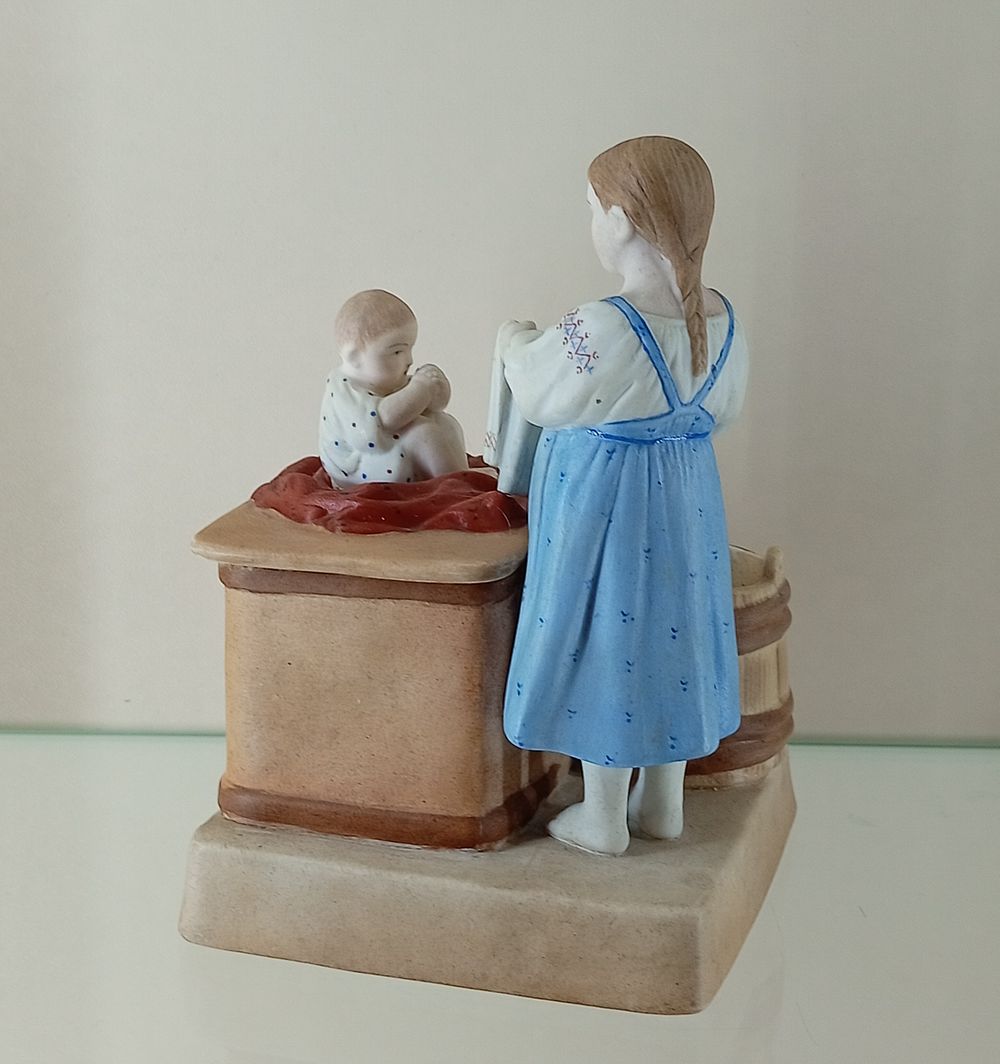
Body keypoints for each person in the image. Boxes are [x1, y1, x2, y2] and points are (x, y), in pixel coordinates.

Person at [485, 137, 749, 855]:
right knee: (673, 635)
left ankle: (603, 817)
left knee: (609, 633)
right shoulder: (724, 318)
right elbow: (725, 411)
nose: (592, 224)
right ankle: (662, 801)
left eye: (593, 209)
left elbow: (539, 389)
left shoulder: (603, 325)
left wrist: (513, 341)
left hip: (606, 507)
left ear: (624, 219)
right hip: (687, 502)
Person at [319, 289, 467, 488]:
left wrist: (437, 390)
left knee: (445, 423)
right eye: (397, 351)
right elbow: (378, 425)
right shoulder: (343, 389)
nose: (410, 360)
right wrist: (421, 388)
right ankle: (454, 488)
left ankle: (461, 476)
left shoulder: (386, 380)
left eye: (410, 349)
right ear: (355, 357)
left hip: (384, 451)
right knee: (422, 433)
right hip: (359, 468)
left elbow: (428, 406)